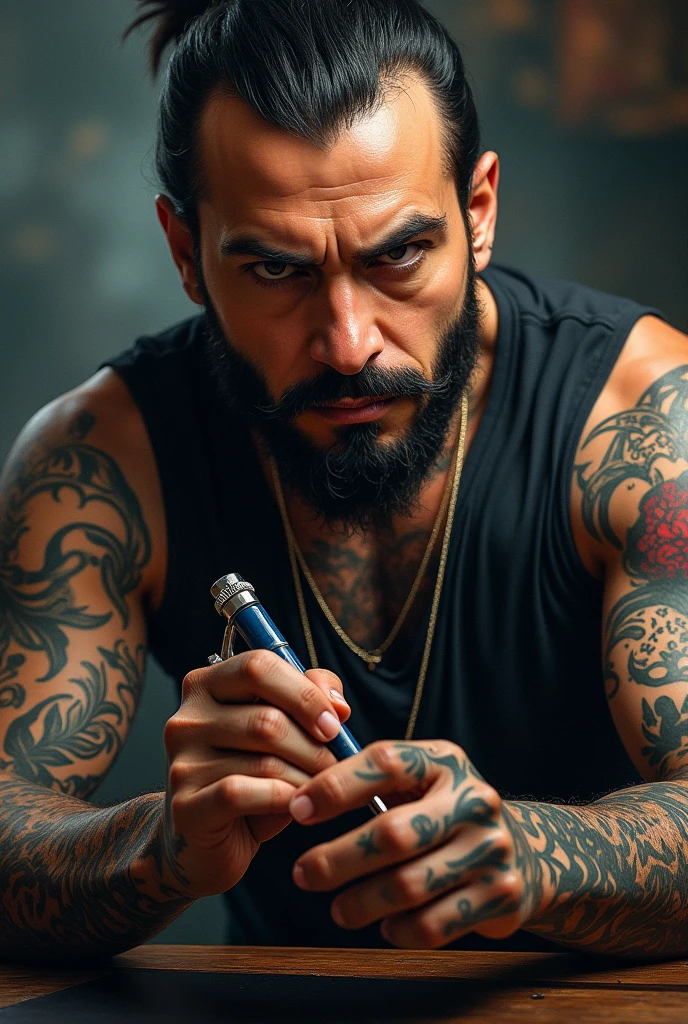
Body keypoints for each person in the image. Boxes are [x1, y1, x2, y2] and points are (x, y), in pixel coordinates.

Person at [1, 0, 687, 962]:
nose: (349, 342)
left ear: (477, 213)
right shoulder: (97, 463)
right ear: (185, 252)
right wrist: (162, 847)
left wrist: (536, 854)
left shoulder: (647, 422)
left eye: (399, 254)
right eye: (277, 270)